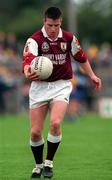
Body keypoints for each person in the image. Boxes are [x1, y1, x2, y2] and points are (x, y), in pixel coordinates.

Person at [22, 7, 102, 179]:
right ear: (44, 22)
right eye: (50, 25)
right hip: (39, 87)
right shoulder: (34, 40)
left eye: (56, 25)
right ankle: (38, 166)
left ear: (61, 23)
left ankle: (49, 162)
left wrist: (92, 75)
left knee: (56, 123)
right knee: (36, 132)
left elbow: (81, 57)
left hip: (61, 85)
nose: (53, 29)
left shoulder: (68, 38)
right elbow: (28, 61)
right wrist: (28, 71)